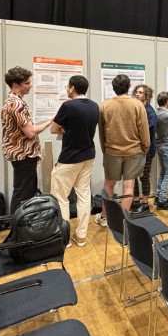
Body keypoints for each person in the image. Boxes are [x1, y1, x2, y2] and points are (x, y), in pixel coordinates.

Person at [49, 75, 100, 247]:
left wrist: (65, 129)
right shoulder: (94, 106)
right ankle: (81, 236)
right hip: (88, 155)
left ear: (72, 88)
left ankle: (65, 238)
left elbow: (53, 128)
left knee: (61, 197)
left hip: (70, 157)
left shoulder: (68, 106)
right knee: (84, 195)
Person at [97, 74, 150, 223]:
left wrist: (105, 149)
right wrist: (145, 147)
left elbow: (101, 131)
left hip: (112, 151)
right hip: (134, 151)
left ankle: (104, 217)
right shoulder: (137, 105)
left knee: (108, 184)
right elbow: (144, 130)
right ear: (128, 87)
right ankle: (121, 219)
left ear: (113, 88)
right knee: (129, 186)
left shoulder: (104, 105)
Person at [1, 67, 52, 214]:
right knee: (23, 192)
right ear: (15, 85)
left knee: (25, 190)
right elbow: (30, 132)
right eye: (26, 83)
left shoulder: (12, 102)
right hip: (23, 154)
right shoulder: (17, 104)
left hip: (21, 153)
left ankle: (21, 225)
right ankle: (18, 227)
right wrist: (50, 121)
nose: (30, 85)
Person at [131, 84, 157, 213]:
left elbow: (144, 130)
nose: (137, 94)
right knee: (133, 176)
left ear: (146, 95)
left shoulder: (150, 111)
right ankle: (135, 200)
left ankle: (145, 203)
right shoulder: (136, 108)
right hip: (135, 149)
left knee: (144, 177)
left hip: (147, 150)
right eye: (136, 92)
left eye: (140, 92)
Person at [154, 91, 168, 210]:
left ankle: (159, 195)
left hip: (159, 145)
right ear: (167, 101)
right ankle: (162, 199)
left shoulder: (156, 113)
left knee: (163, 171)